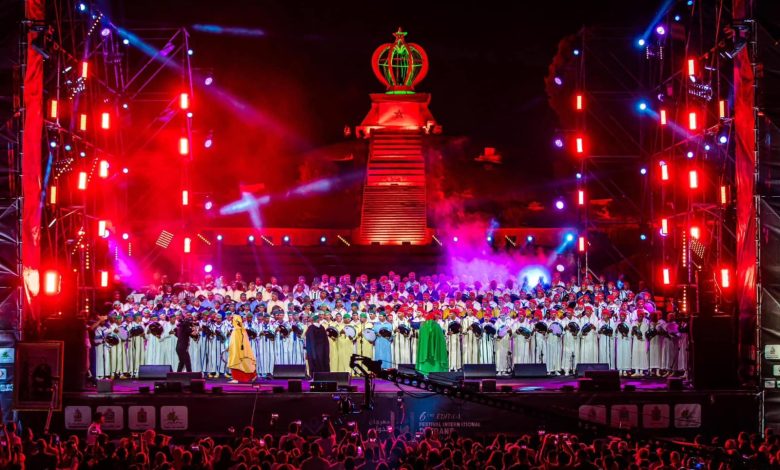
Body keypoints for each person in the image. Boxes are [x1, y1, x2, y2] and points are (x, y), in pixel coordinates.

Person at [227, 313, 257, 383]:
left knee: (236, 363)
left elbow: (234, 342)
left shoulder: (236, 330)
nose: (231, 321)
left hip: (236, 350)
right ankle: (252, 375)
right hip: (244, 350)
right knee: (246, 363)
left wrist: (230, 348)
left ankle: (236, 378)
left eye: (232, 319)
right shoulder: (243, 330)